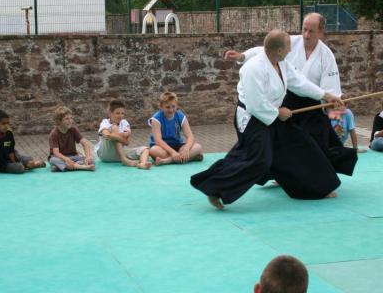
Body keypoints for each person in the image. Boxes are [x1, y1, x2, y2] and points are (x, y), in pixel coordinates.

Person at [191, 30, 342, 210]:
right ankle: (214, 188)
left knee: (301, 144)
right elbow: (255, 104)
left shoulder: (282, 64)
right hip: (253, 118)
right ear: (278, 50)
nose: (290, 51)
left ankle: (316, 188)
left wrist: (325, 95)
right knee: (257, 160)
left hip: (271, 114)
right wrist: (278, 113)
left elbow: (299, 82)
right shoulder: (253, 68)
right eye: (288, 47)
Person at [225, 13, 357, 176]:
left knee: (319, 140)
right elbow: (264, 50)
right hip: (286, 101)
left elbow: (328, 91)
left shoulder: (326, 56)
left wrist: (333, 103)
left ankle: (319, 176)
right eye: (304, 30)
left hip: (311, 104)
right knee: (283, 142)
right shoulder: (291, 42)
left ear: (321, 32)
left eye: (311, 31)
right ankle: (285, 175)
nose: (306, 35)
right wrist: (243, 56)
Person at [0, 110, 46, 175]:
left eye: (8, 123)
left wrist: (14, 163)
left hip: (14, 156)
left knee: (30, 162)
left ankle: (34, 164)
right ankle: (31, 166)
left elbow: (11, 151)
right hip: (1, 164)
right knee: (20, 168)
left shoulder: (9, 132)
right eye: (3, 123)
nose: (6, 126)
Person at [149, 91, 204, 165]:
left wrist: (186, 149)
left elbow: (190, 136)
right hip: (163, 148)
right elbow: (158, 141)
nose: (171, 110)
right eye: (167, 107)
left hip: (178, 146)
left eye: (173, 106)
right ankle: (189, 157)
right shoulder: (156, 119)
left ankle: (168, 160)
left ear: (177, 105)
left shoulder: (181, 116)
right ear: (161, 107)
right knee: (153, 150)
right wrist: (172, 152)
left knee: (198, 147)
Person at [95, 99, 151, 169]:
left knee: (145, 149)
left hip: (118, 153)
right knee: (114, 127)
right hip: (105, 154)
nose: (120, 116)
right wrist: (118, 136)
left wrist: (115, 136)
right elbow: (107, 135)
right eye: (117, 113)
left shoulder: (124, 123)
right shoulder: (105, 122)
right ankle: (124, 160)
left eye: (122, 113)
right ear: (110, 113)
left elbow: (127, 142)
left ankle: (142, 164)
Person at [48, 106, 95, 172]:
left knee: (91, 160)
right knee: (53, 160)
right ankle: (82, 167)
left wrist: (88, 157)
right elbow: (56, 153)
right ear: (59, 121)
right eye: (66, 119)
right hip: (60, 158)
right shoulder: (54, 134)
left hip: (73, 157)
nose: (70, 121)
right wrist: (66, 159)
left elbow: (85, 144)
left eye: (71, 118)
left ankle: (61, 167)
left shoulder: (73, 129)